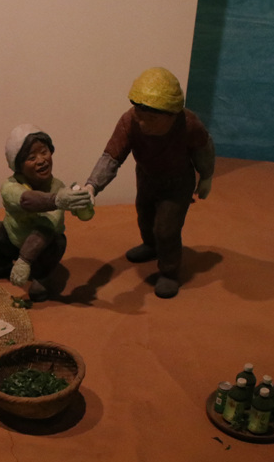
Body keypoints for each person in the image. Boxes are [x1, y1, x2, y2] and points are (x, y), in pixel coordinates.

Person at [84, 67, 216, 299]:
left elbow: (203, 149)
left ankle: (169, 271)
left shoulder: (188, 124)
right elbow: (112, 156)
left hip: (177, 183)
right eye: (140, 113)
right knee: (144, 217)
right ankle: (151, 246)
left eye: (152, 118)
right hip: (146, 178)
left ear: (172, 114)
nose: (143, 122)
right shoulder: (129, 121)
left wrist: (206, 176)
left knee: (166, 229)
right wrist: (92, 185)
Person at [0, 124, 92, 301]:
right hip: (13, 240)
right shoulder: (10, 186)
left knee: (57, 241)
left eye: (44, 152)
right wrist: (57, 200)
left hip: (43, 249)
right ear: (19, 166)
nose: (41, 160)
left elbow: (46, 226)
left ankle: (41, 276)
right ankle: (2, 265)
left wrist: (25, 260)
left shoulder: (58, 187)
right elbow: (26, 199)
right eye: (31, 157)